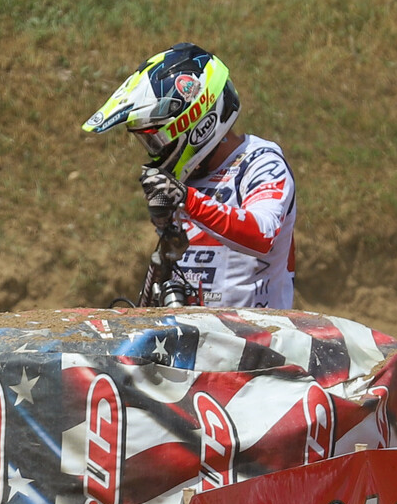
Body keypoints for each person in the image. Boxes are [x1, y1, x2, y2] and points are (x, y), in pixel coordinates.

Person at [80, 43, 297, 309]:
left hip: (259, 341)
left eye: (155, 141)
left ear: (199, 123)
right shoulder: (190, 178)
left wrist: (188, 200)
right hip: (197, 340)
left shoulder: (259, 161)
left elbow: (262, 235)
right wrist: (166, 229)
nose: (155, 154)